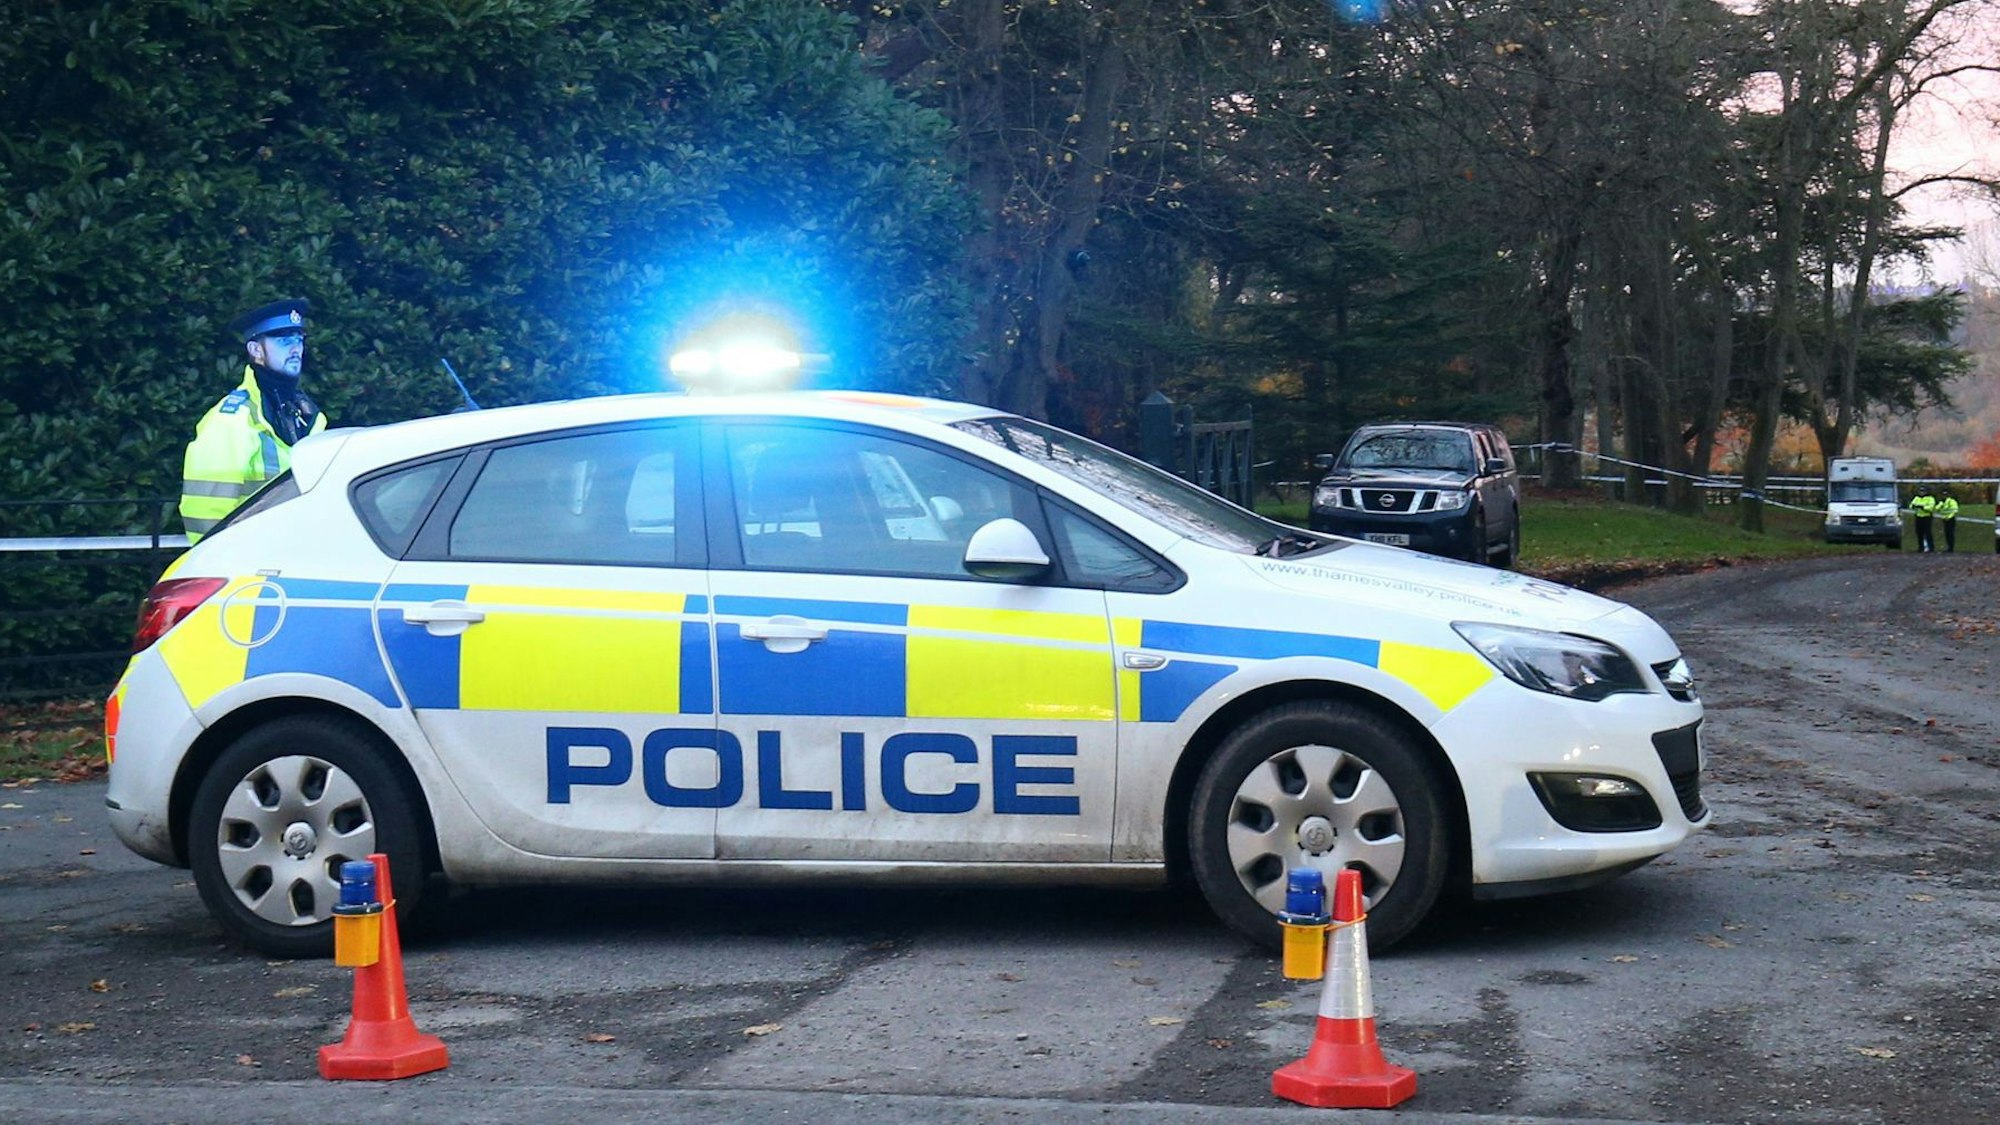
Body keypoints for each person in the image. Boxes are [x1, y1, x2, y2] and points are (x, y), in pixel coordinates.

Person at [179, 298, 325, 542]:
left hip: (296, 556)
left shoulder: (309, 415)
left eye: (299, 339)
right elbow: (205, 515)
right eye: (284, 340)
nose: (295, 349)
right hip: (249, 565)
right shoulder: (231, 420)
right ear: (256, 350)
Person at [1909, 486, 1937, 553]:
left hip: (1927, 517)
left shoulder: (1930, 498)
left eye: (1923, 491)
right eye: (1920, 491)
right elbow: (1911, 505)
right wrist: (1914, 506)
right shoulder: (1917, 498)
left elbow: (1931, 507)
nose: (1922, 493)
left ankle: (1931, 547)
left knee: (1928, 533)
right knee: (1919, 533)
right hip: (1918, 517)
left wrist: (1922, 507)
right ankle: (1921, 547)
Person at [1937, 488, 1960, 552]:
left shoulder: (1951, 501)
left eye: (1946, 495)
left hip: (1950, 519)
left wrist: (1949, 517)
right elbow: (1936, 509)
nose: (1944, 496)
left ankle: (1951, 547)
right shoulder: (1941, 502)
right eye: (1943, 495)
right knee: (1946, 533)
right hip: (1944, 519)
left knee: (1950, 533)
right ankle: (1948, 547)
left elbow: (1955, 510)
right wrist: (1940, 505)